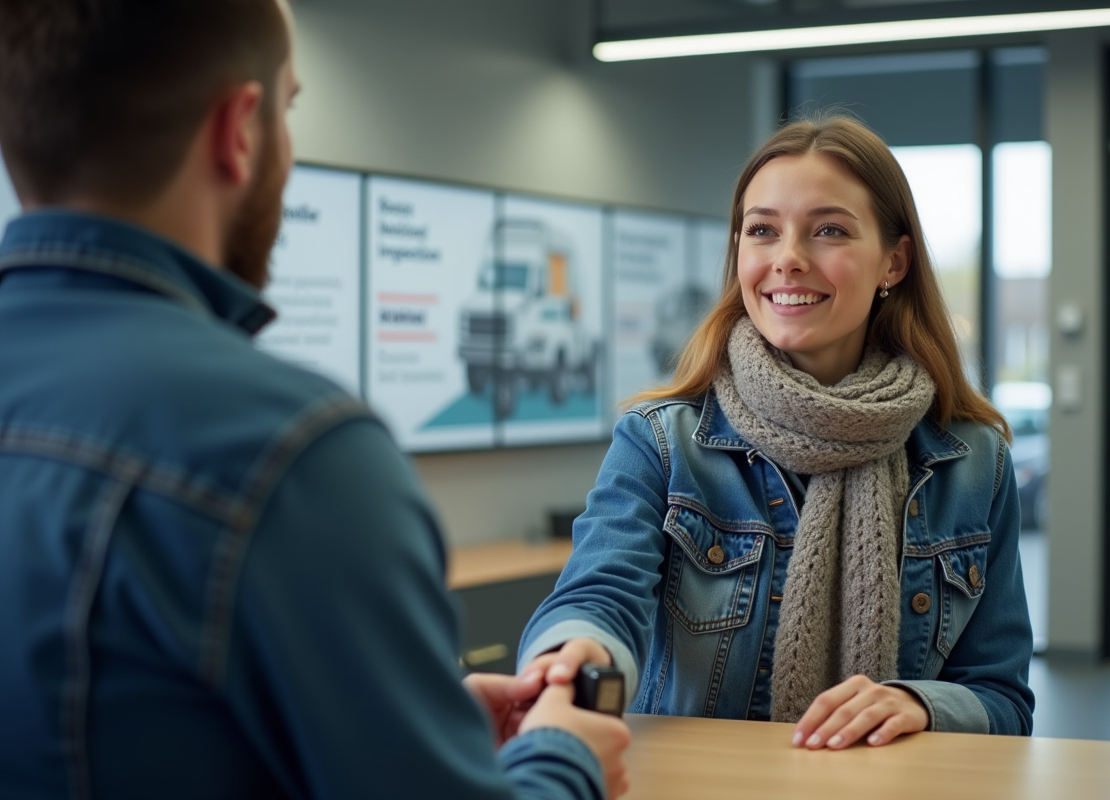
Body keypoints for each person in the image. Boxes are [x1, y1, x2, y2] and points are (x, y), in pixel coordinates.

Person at [0, 2, 628, 798]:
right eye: (290, 108)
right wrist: (561, 762)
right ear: (240, 129)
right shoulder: (290, 451)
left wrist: (418, 728)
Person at [518, 115, 1034, 750]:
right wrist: (573, 657)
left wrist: (919, 704)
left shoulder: (975, 460)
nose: (788, 259)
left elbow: (1003, 699)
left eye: (829, 231)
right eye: (762, 230)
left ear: (893, 262)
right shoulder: (661, 441)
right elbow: (600, 595)